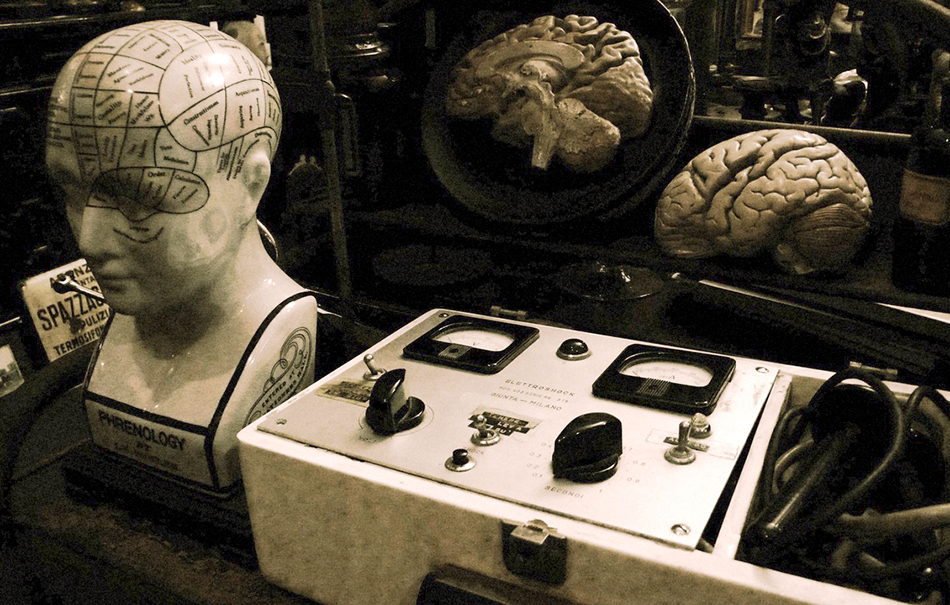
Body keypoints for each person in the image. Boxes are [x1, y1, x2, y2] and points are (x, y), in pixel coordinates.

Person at [45, 19, 317, 495]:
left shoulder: (276, 333)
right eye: (71, 192)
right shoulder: (140, 309)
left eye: (136, 200)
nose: (89, 241)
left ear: (250, 184)